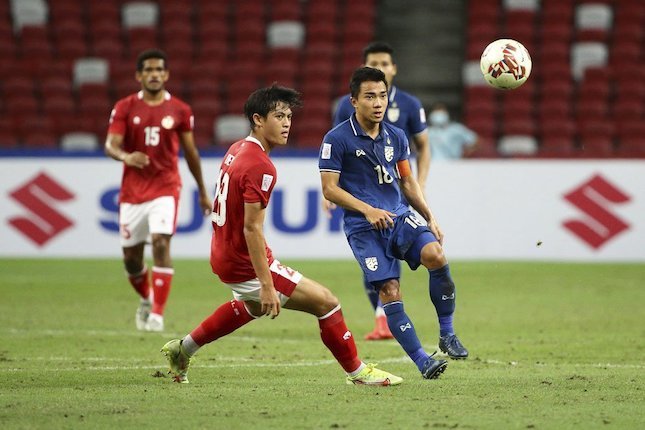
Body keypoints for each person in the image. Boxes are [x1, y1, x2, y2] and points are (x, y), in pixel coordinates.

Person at [160, 85, 402, 386]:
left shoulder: (237, 148)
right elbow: (252, 227)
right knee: (326, 303)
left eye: (289, 116)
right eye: (279, 116)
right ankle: (358, 372)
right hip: (242, 260)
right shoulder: (260, 165)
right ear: (258, 119)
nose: (287, 123)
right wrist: (265, 284)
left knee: (251, 307)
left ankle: (182, 349)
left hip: (223, 252)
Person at [319, 67, 470, 380]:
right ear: (354, 101)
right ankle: (421, 360)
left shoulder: (397, 137)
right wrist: (367, 210)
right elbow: (330, 188)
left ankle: (447, 334)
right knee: (389, 288)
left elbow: (407, 180)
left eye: (382, 96)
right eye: (370, 96)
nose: (378, 103)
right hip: (364, 229)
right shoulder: (336, 140)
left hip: (399, 216)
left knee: (436, 255)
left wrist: (429, 215)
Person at [104, 49, 211, 332]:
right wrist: (126, 157)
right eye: (148, 70)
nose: (154, 74)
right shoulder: (125, 107)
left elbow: (191, 153)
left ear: (166, 75)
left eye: (159, 70)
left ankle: (157, 315)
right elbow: (110, 144)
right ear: (139, 75)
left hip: (166, 186)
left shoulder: (180, 110)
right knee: (131, 259)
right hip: (132, 191)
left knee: (161, 243)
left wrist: (202, 190)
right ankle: (147, 298)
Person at [330, 41, 431, 341]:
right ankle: (383, 315)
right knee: (373, 256)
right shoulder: (345, 108)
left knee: (400, 251)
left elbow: (423, 147)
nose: (383, 68)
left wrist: (419, 185)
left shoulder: (410, 105)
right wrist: (330, 193)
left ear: (394, 68)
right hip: (363, 198)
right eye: (376, 63)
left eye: (386, 63)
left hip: (399, 194)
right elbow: (337, 148)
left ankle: (384, 317)